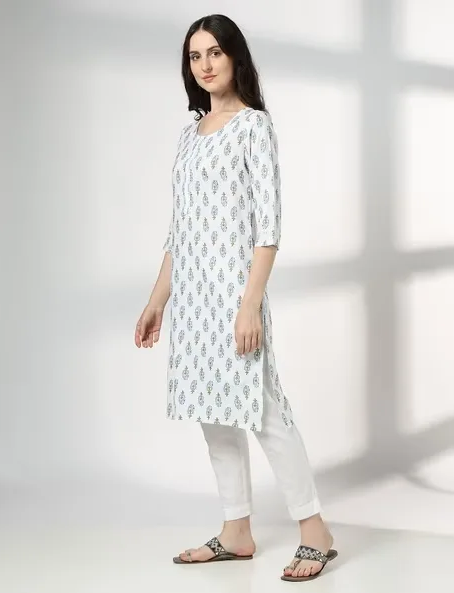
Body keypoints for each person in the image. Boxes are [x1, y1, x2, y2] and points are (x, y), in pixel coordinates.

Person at [134, 14, 337, 583]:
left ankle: (315, 531)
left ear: (235, 57)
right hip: (192, 300)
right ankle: (236, 531)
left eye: (215, 52)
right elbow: (180, 230)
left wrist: (250, 304)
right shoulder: (190, 133)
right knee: (212, 413)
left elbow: (268, 228)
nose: (205, 64)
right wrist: (157, 300)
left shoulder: (253, 127)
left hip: (234, 296)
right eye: (195, 55)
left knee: (266, 411)